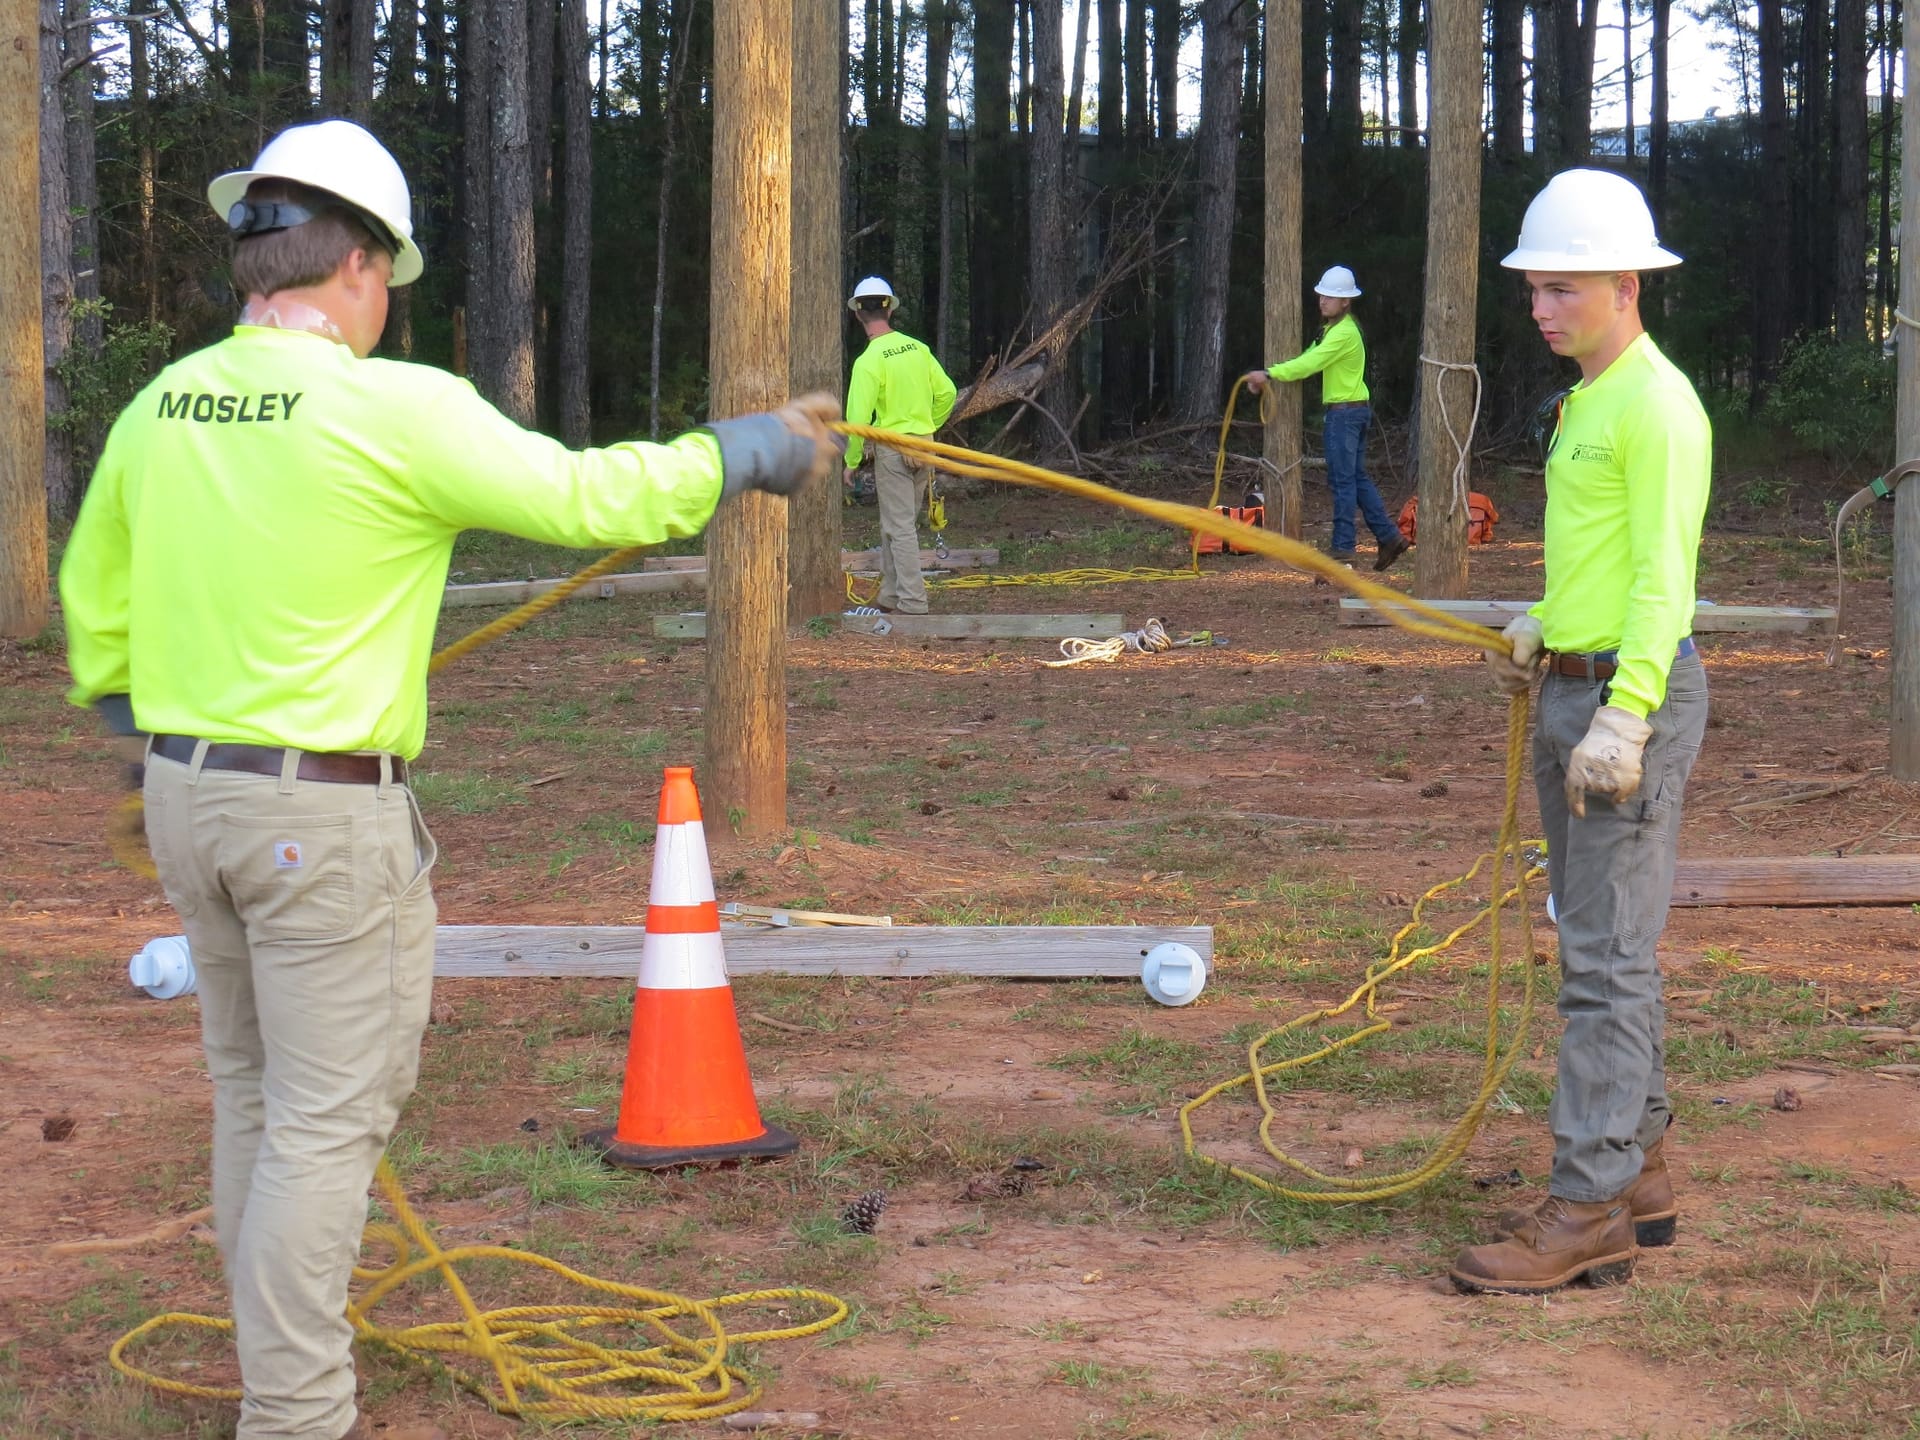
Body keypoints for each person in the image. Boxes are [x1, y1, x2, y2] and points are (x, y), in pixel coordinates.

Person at [58, 119, 841, 1440]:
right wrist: (750, 449)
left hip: (191, 800)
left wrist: (159, 753)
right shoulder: (388, 407)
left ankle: (278, 1380)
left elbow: (98, 606)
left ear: (259, 265)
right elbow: (594, 499)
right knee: (323, 1120)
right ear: (358, 265)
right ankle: (296, 1414)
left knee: (255, 1093)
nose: (387, 306)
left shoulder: (164, 408)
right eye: (390, 282)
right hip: (316, 821)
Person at [1452, 168, 1711, 1296]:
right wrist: (1545, 625)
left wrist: (1630, 708)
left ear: (1624, 283)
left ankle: (1590, 1200)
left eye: (1561, 289)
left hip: (1626, 703)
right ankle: (1639, 1172)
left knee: (1605, 966)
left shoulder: (1658, 404)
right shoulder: (1584, 401)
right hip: (1580, 685)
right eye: (1535, 292)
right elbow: (1600, 565)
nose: (1543, 309)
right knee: (1594, 948)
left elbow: (1666, 575)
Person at [1242, 265, 1409, 571]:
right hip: (1353, 412)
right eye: (1322, 295)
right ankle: (1389, 537)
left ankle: (1343, 548)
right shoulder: (1335, 330)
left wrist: (1268, 373)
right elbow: (1310, 356)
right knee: (1356, 478)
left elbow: (1310, 364)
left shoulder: (1342, 333)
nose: (1323, 301)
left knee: (1343, 481)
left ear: (1346, 301)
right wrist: (1275, 374)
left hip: (1345, 415)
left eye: (1331, 297)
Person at [841, 276, 957, 614]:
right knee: (895, 522)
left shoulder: (868, 361)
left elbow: (857, 420)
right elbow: (947, 392)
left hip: (893, 447)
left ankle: (912, 601)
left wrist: (851, 460)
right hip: (923, 444)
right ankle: (891, 595)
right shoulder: (918, 349)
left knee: (900, 526)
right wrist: (928, 426)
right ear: (889, 308)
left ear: (858, 314)